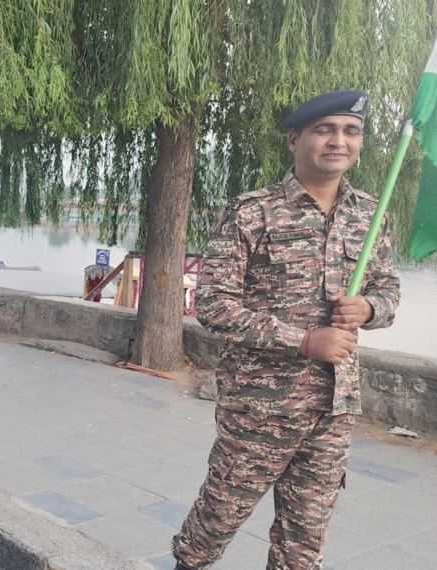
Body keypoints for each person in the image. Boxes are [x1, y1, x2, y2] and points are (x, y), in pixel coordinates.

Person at [170, 91, 400, 570]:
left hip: (333, 410)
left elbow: (389, 290)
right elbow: (212, 304)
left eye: (350, 131)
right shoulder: (253, 211)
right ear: (295, 139)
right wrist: (301, 340)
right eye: (325, 130)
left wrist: (369, 308)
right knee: (214, 525)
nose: (339, 141)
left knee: (303, 544)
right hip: (260, 409)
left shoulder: (370, 214)